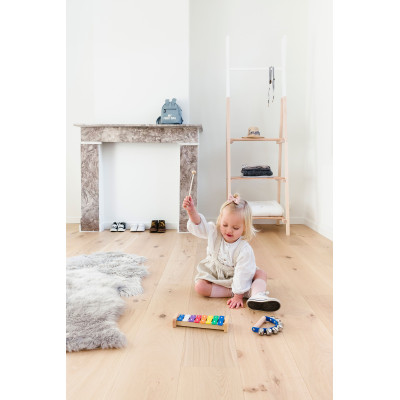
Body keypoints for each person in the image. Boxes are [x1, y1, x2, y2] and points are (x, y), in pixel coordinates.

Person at [182, 193, 281, 310]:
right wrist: (192, 211)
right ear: (220, 220)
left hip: (239, 275)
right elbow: (201, 227)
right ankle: (246, 292)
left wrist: (238, 296)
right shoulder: (214, 231)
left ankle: (258, 295)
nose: (229, 230)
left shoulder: (244, 249)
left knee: (261, 273)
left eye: (235, 228)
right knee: (200, 287)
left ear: (245, 228)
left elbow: (243, 273)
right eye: (225, 225)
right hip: (216, 274)